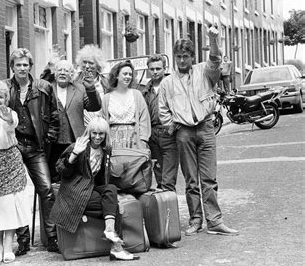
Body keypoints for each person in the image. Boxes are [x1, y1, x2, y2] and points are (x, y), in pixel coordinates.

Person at [158, 26, 239, 236]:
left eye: (186, 56)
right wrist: (171, 126)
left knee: (209, 178)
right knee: (191, 180)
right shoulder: (167, 83)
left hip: (206, 128)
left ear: (192, 57)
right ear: (174, 57)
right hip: (183, 132)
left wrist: (213, 39)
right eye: (178, 57)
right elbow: (163, 109)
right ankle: (195, 220)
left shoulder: (204, 71)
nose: (182, 61)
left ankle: (215, 220)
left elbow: (215, 59)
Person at [50, 116, 140, 261]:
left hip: (91, 190)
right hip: (75, 194)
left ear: (105, 135)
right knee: (113, 206)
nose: (97, 137)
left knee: (111, 189)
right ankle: (116, 248)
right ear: (89, 133)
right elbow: (60, 170)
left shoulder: (106, 149)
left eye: (101, 134)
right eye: (94, 133)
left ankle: (110, 230)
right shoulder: (78, 146)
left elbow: (101, 180)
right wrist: (74, 155)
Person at [3, 48, 60, 255]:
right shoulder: (5, 88)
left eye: (25, 64)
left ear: (30, 66)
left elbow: (55, 114)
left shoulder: (43, 87)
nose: (22, 68)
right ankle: (23, 239)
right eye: (18, 64)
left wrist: (49, 137)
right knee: (17, 193)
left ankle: (52, 237)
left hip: (36, 146)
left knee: (45, 189)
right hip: (13, 146)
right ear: (12, 67)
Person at [0, 79, 31, 264]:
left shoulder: (9, 113)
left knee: (10, 205)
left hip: (10, 159)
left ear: (6, 98)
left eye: (0, 97)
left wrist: (8, 118)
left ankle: (9, 246)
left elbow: (13, 124)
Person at [48, 59, 102, 183]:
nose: (62, 73)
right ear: (55, 73)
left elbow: (94, 106)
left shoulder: (79, 89)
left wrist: (91, 89)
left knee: (74, 176)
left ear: (71, 74)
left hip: (74, 140)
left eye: (66, 71)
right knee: (54, 177)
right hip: (53, 142)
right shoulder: (48, 88)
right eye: (59, 70)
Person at [142, 55, 179, 191]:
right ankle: (164, 209)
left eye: (158, 68)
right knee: (159, 177)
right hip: (152, 135)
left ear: (165, 69)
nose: (155, 71)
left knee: (168, 180)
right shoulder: (145, 91)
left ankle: (170, 210)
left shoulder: (172, 86)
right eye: (152, 69)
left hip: (168, 134)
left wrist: (173, 127)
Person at [102, 60, 151, 150]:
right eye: (125, 74)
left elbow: (144, 119)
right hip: (113, 141)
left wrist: (143, 140)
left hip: (134, 140)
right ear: (116, 75)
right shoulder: (107, 98)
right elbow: (104, 121)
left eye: (130, 74)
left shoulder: (137, 95)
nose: (128, 77)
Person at [73, 44, 109, 126]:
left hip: (102, 126)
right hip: (82, 126)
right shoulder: (74, 81)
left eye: (91, 63)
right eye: (84, 62)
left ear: (98, 65)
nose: (87, 66)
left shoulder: (106, 83)